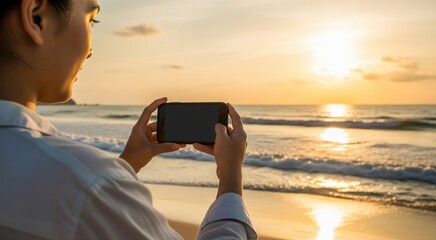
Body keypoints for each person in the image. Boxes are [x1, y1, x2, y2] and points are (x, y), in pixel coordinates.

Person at [0, 0, 258, 239]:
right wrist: (231, 177)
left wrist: (126, 164)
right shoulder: (88, 185)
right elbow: (82, 197)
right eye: (92, 20)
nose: (90, 51)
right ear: (37, 18)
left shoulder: (81, 182)